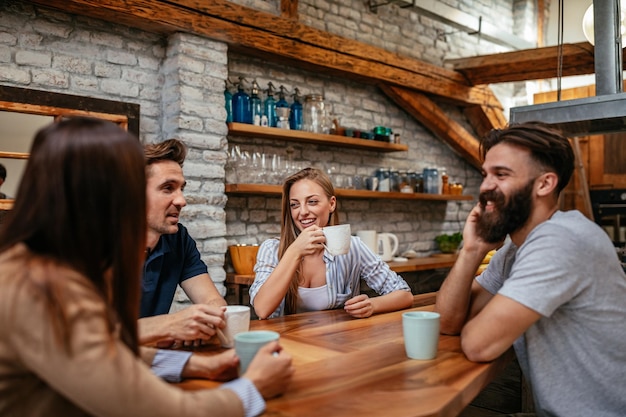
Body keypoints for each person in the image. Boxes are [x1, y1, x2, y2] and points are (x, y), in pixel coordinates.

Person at [0, 117, 293, 416]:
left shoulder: (42, 262)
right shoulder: (40, 286)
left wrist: (196, 365)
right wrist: (254, 386)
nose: (181, 200)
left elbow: (104, 350)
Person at [435, 122, 626, 416]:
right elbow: (448, 322)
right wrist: (472, 249)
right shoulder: (514, 248)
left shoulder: (560, 240)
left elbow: (478, 344)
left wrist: (479, 319)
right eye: (485, 174)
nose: (485, 186)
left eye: (501, 174)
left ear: (545, 184)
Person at [250, 167, 413, 319]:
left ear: (331, 204)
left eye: (312, 202)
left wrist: (372, 305)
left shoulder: (353, 246)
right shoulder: (271, 249)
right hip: (286, 345)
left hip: (338, 345)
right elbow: (262, 309)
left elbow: (404, 294)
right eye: (294, 205)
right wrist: (294, 251)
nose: (303, 212)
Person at [139, 139, 227, 348]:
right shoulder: (96, 242)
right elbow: (93, 335)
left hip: (154, 362)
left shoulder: (178, 239)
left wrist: (205, 322)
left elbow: (213, 302)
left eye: (181, 189)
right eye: (168, 188)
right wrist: (170, 324)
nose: (181, 201)